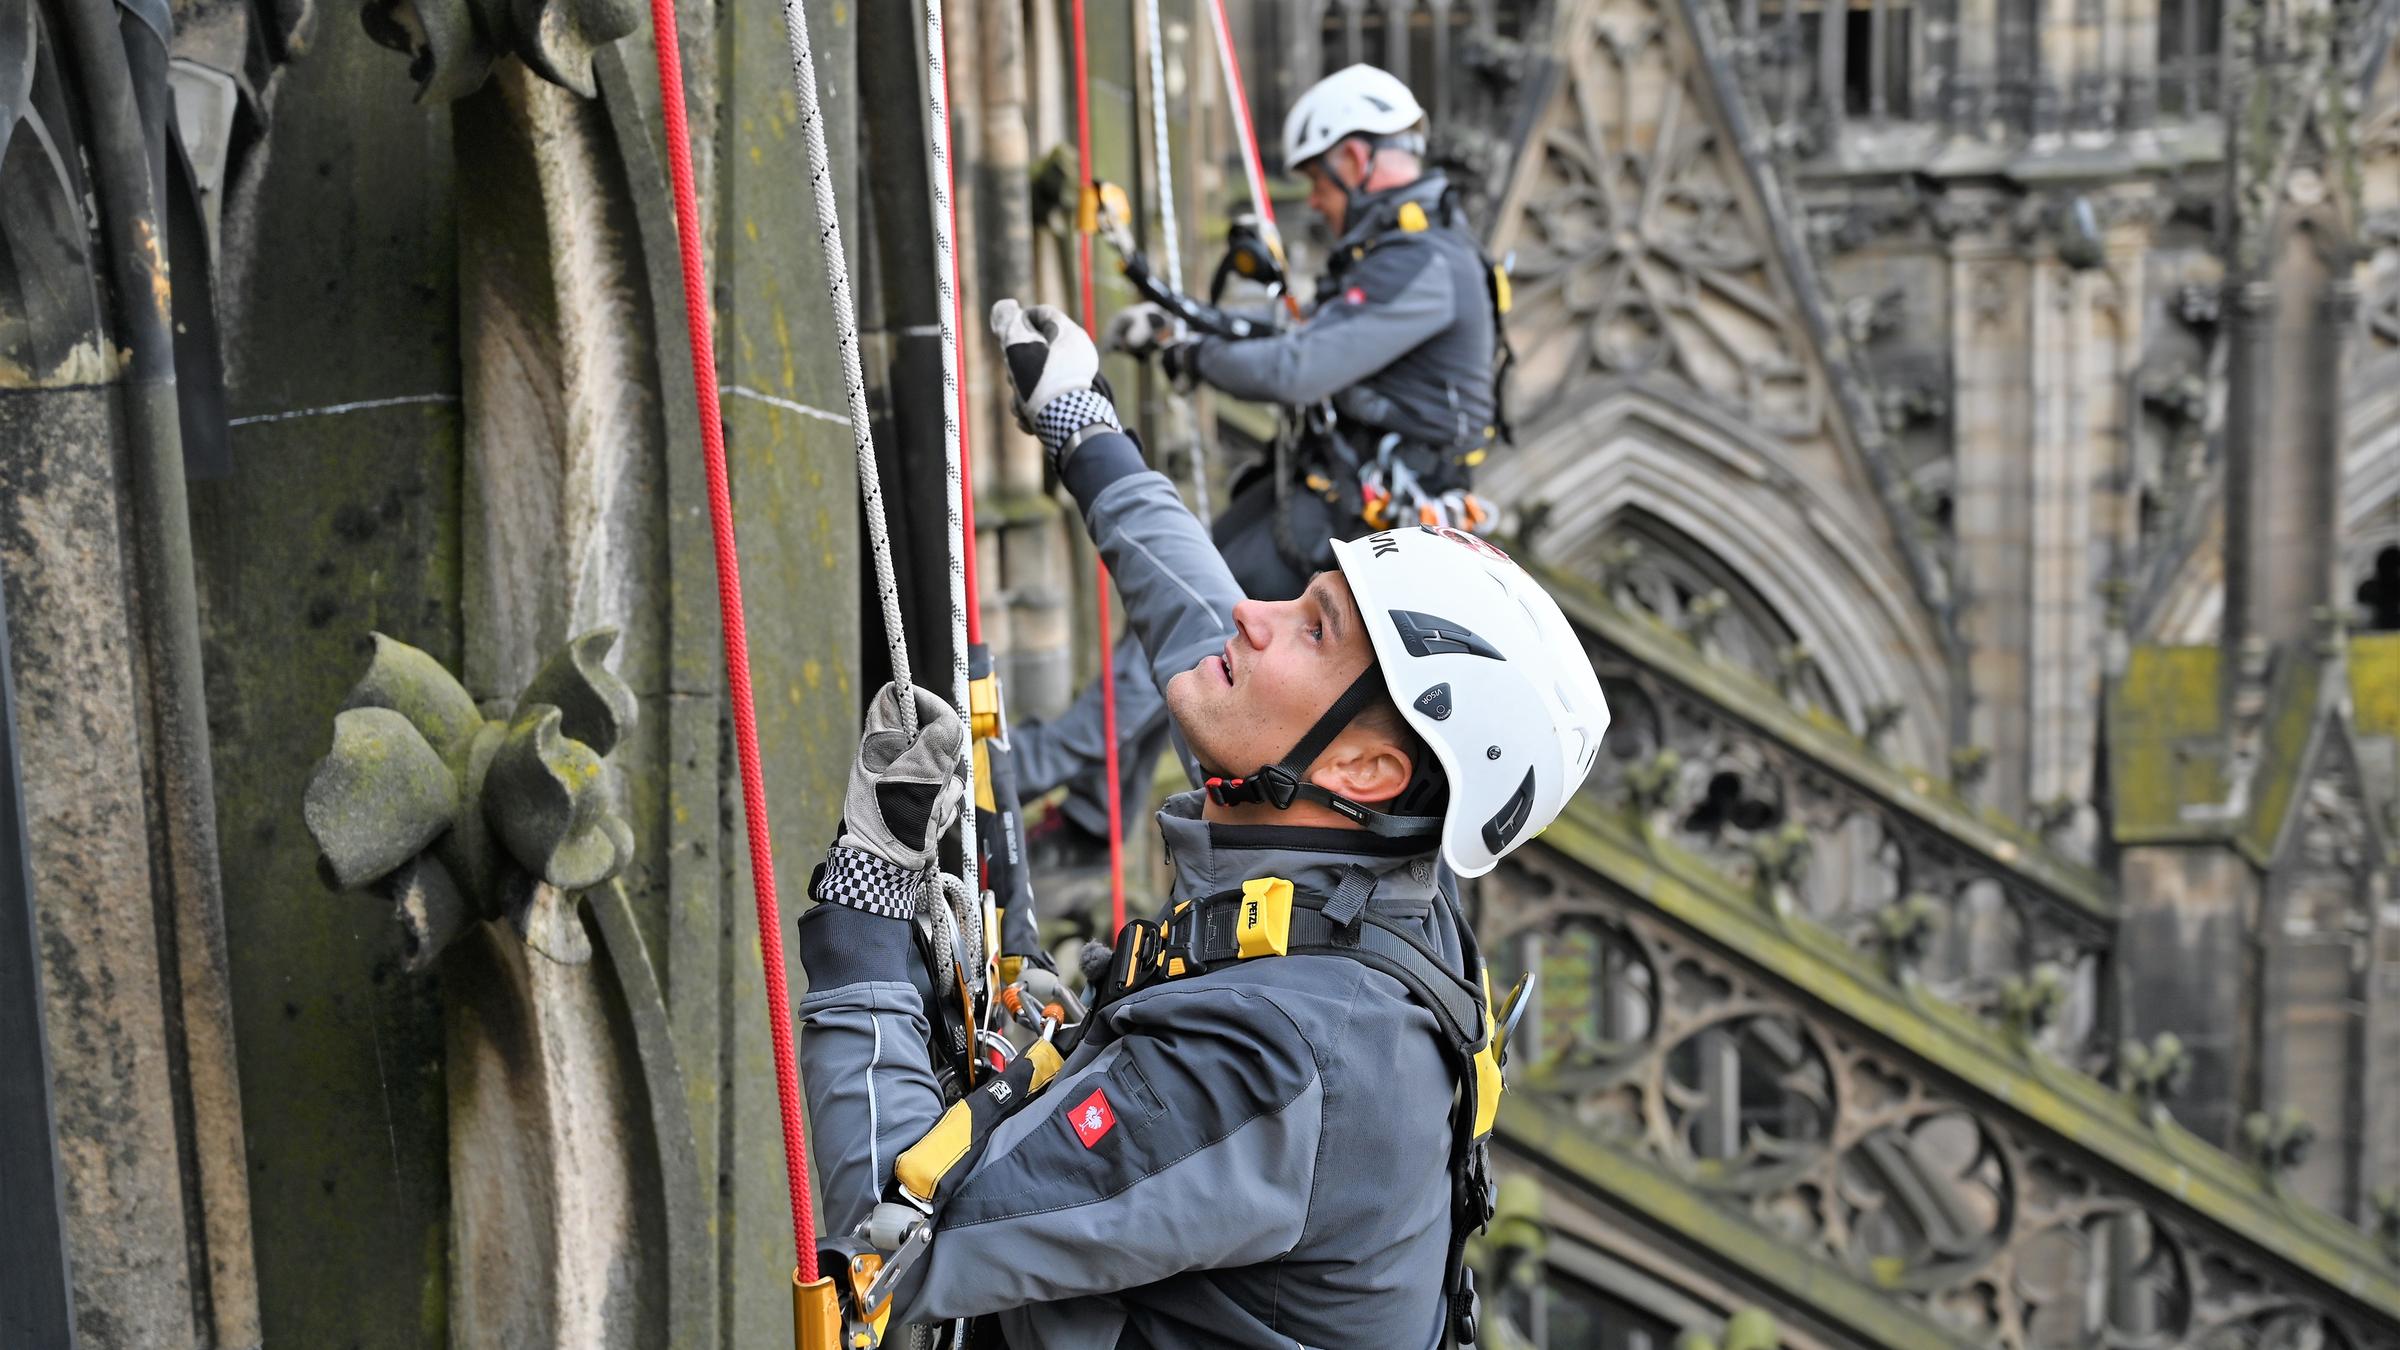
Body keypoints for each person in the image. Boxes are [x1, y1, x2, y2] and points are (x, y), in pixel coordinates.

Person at [792, 301, 1605, 1347]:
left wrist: (866, 893)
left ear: (1366, 767)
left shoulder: (1285, 1057)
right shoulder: (1356, 867)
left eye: (1310, 629)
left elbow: (891, 1243)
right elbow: (1197, 613)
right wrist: (1085, 430)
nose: (1252, 618)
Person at [1016, 62, 1508, 871]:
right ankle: (1091, 814)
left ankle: (1036, 772)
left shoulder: (1429, 261)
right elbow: (1310, 333)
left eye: (1317, 178)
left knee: (1190, 631)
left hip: (1342, 515)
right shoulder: (1401, 251)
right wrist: (1200, 328)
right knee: (1176, 620)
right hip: (1323, 493)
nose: (1312, 199)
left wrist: (1189, 348)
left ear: (1354, 159)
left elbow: (1297, 369)